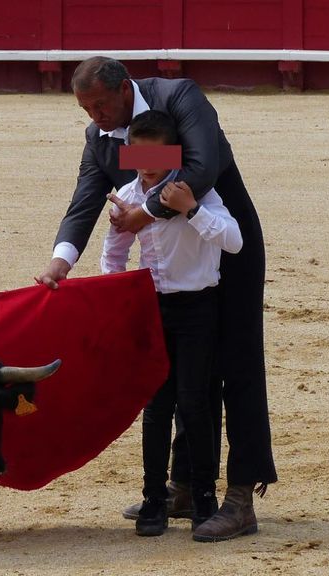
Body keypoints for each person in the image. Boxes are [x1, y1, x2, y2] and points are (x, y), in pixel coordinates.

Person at [36, 56, 277, 542]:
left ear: (125, 89)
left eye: (100, 106)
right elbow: (86, 199)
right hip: (173, 272)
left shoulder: (179, 98)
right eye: (85, 109)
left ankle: (241, 497)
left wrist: (145, 213)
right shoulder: (102, 139)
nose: (95, 118)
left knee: (237, 366)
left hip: (225, 247)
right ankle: (187, 485)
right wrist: (62, 259)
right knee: (189, 375)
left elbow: (202, 167)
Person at [100, 110, 239, 537]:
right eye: (138, 153)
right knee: (157, 408)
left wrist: (192, 210)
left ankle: (203, 499)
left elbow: (234, 241)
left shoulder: (193, 190)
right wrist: (118, 300)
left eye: (155, 152)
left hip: (198, 310)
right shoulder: (126, 193)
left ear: (172, 151)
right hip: (152, 310)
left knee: (196, 406)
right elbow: (114, 251)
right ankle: (154, 499)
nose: (146, 161)